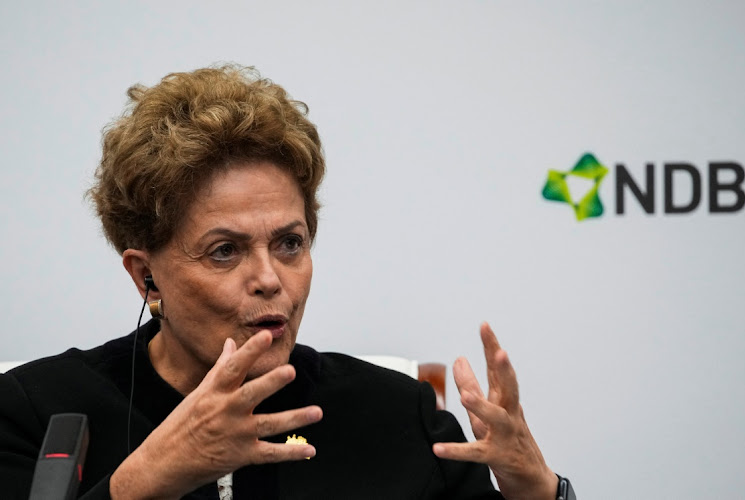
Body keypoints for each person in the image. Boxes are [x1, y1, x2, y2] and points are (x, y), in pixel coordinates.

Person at [0, 65, 571, 499]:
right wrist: (144, 481)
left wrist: (538, 492)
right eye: (225, 251)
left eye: (289, 244)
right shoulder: (40, 414)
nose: (270, 280)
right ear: (147, 277)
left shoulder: (402, 418)